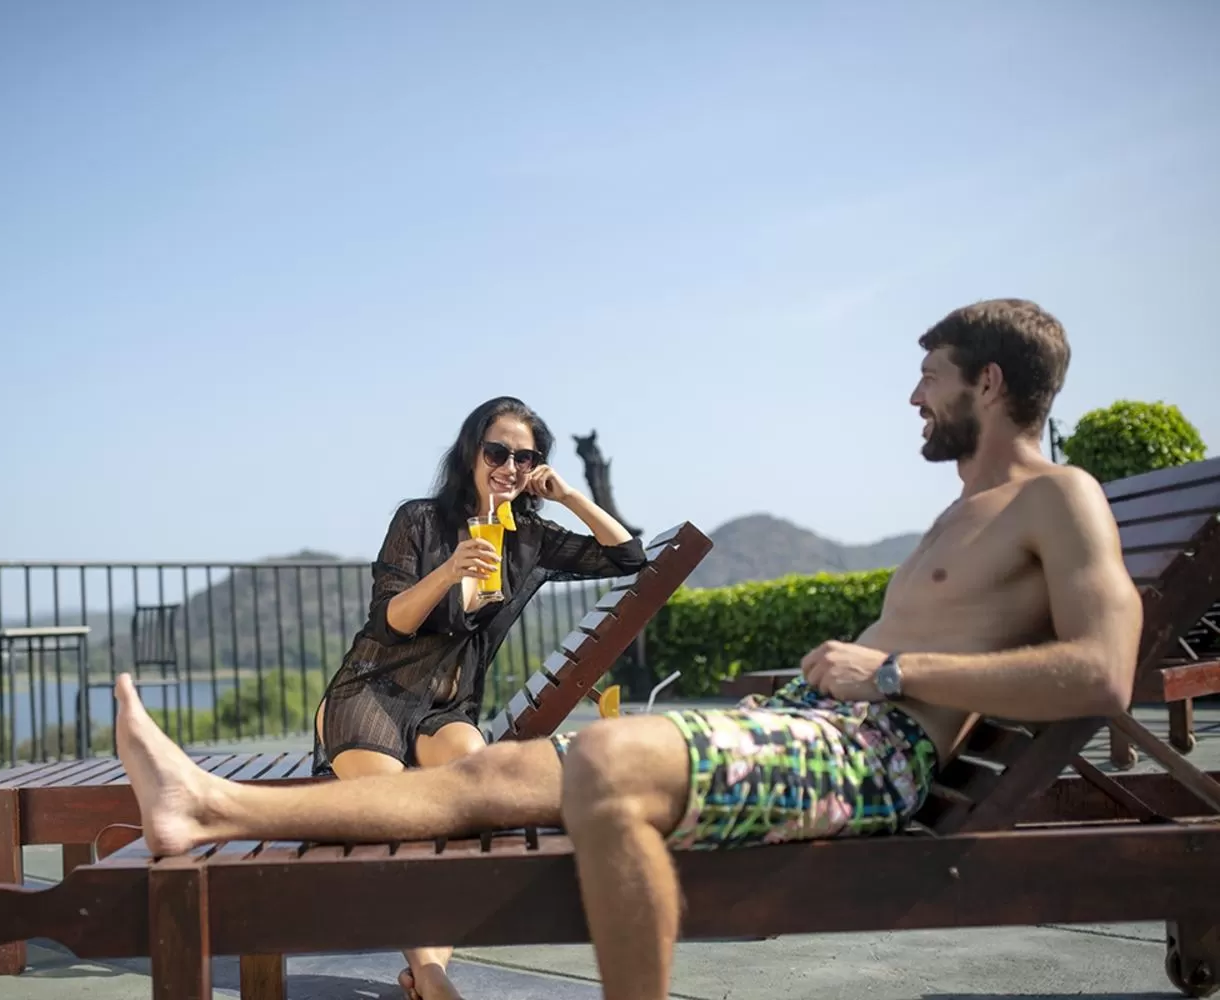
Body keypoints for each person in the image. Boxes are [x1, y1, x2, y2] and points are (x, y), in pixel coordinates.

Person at [112, 299, 1144, 1000]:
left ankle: (241, 826)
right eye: (499, 452)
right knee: (504, 771)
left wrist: (895, 670)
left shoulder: (1059, 496)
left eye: (930, 377)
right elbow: (397, 620)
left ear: (988, 384)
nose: (915, 397)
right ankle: (209, 804)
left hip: (877, 752)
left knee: (603, 757)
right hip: (806, 722)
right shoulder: (958, 517)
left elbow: (1104, 671)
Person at [310, 395, 648, 998]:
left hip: (444, 710)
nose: (510, 467)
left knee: (471, 796)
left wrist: (569, 496)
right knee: (400, 814)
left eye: (525, 457)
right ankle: (433, 975)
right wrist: (449, 571)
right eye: (498, 452)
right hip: (373, 693)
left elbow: (628, 556)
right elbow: (391, 622)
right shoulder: (419, 520)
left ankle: (428, 969)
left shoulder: (529, 536)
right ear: (471, 453)